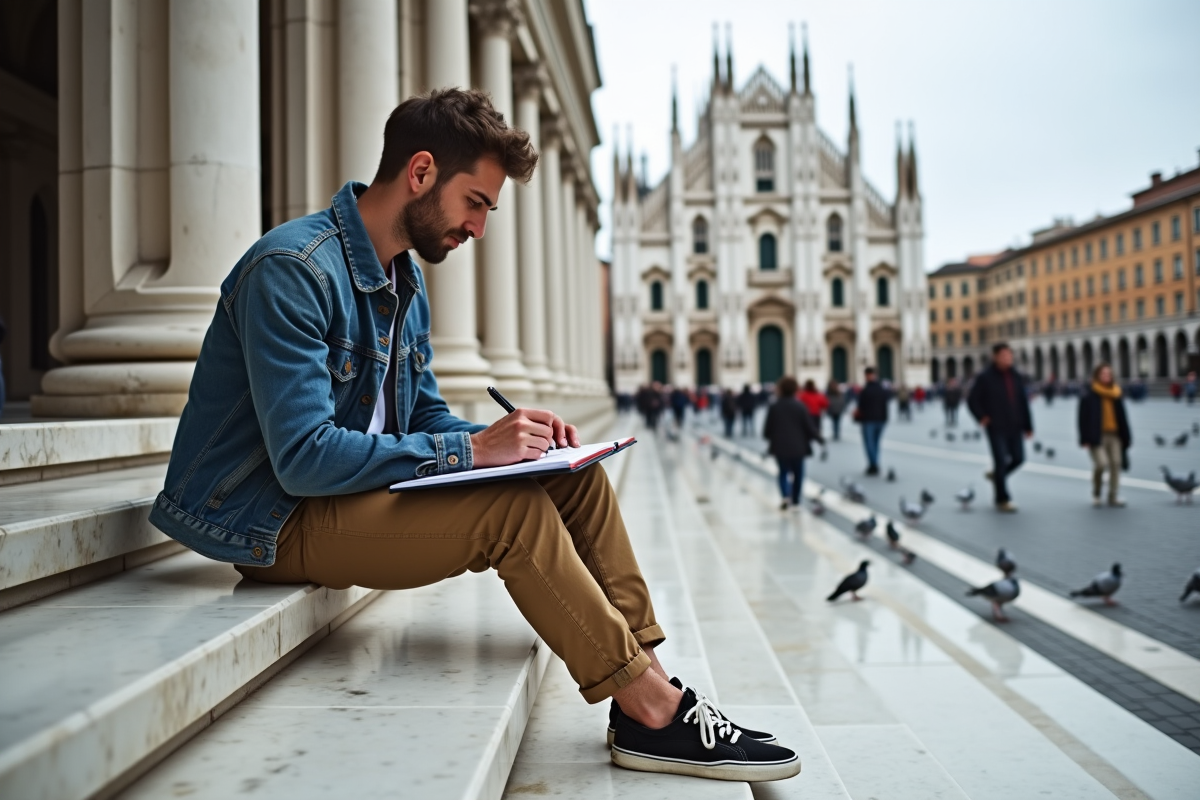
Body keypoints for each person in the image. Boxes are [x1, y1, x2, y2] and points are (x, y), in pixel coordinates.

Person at [146, 89, 798, 782]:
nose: (480, 228)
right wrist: (471, 453)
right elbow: (303, 459)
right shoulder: (293, 270)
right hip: (270, 518)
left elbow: (423, 415)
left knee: (571, 478)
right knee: (510, 514)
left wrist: (511, 439)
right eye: (477, 203)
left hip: (346, 496)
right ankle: (653, 710)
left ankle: (656, 689)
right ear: (421, 173)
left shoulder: (405, 281)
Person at [968, 343, 1034, 512]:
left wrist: (1028, 426)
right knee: (1000, 461)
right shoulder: (985, 377)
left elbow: (1023, 402)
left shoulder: (1016, 376)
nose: (1007, 359)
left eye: (1009, 355)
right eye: (1004, 356)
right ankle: (1002, 499)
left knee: (1019, 459)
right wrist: (981, 416)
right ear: (995, 357)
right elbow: (972, 399)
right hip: (996, 426)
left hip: (1015, 425)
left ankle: (998, 476)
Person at [763, 376, 823, 510]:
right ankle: (796, 499)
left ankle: (785, 495)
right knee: (798, 474)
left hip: (780, 447)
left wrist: (772, 437)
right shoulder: (800, 406)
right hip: (798, 447)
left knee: (783, 472)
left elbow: (767, 430)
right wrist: (820, 439)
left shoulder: (774, 406)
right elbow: (809, 427)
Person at [1077, 362, 1131, 508]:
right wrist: (1084, 439)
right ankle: (1096, 493)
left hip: (1115, 435)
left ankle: (1113, 496)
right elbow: (1082, 418)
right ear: (1097, 375)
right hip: (1096, 436)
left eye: (1108, 374)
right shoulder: (1089, 393)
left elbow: (1123, 417)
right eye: (1103, 374)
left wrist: (1127, 437)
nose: (1106, 376)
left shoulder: (1116, 392)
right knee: (1101, 464)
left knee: (1116, 464)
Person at [855, 367, 888, 475]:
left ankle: (873, 465)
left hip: (868, 420)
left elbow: (861, 407)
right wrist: (885, 418)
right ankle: (874, 463)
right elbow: (885, 405)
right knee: (876, 443)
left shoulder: (865, 390)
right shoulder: (882, 389)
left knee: (870, 443)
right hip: (880, 420)